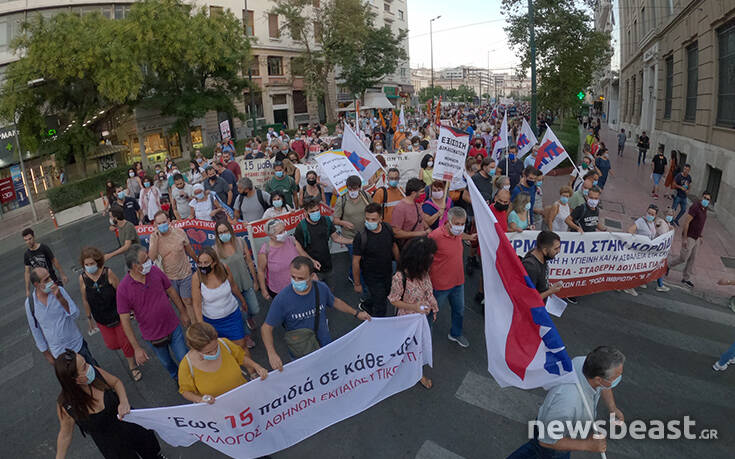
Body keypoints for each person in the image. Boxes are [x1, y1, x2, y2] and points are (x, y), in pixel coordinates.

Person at [508, 346, 624, 458]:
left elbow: (605, 386)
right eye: (616, 376)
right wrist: (588, 445)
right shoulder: (568, 403)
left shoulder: (587, 364)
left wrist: (612, 408)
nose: (619, 378)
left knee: (534, 450)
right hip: (556, 442)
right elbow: (547, 441)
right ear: (599, 379)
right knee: (539, 449)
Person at [262, 257, 371, 370]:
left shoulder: (321, 288)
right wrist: (271, 353)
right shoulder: (282, 299)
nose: (296, 281)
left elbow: (335, 301)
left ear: (312, 276)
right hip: (301, 351)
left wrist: (356, 313)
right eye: (293, 277)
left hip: (324, 345)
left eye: (301, 278)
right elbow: (266, 328)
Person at [54, 349, 162, 459]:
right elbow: (65, 434)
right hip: (112, 446)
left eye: (85, 362)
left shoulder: (95, 374)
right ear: (74, 379)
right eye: (84, 367)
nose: (89, 367)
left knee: (152, 452)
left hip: (130, 426)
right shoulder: (67, 406)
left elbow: (116, 382)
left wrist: (124, 401)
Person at [117, 244, 191, 380]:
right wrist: (137, 348)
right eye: (145, 260)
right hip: (154, 337)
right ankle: (178, 380)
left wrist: (183, 312)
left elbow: (171, 291)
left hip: (173, 327)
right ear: (135, 266)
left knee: (184, 359)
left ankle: (190, 382)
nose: (149, 261)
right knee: (167, 363)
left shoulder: (155, 271)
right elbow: (125, 321)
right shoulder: (123, 289)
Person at [79, 247, 141, 381]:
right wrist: (89, 318)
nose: (89, 267)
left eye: (92, 263)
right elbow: (85, 299)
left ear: (98, 262)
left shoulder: (108, 273)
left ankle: (132, 366)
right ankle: (128, 349)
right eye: (87, 264)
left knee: (125, 342)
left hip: (117, 314)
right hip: (101, 318)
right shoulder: (83, 278)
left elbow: (121, 292)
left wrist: (130, 310)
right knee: (112, 344)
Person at [388, 236, 438, 389]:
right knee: (407, 348)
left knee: (419, 347)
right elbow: (393, 300)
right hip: (407, 321)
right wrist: (414, 307)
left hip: (422, 318)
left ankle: (416, 371)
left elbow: (428, 292)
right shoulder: (400, 277)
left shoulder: (424, 273)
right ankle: (404, 371)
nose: (432, 261)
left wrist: (434, 307)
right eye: (429, 258)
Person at [178, 323, 267, 404]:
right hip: (218, 409)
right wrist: (200, 399)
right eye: (208, 352)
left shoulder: (224, 343)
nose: (214, 353)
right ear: (194, 348)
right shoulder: (186, 366)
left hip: (242, 398)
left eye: (216, 347)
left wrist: (256, 366)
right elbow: (185, 391)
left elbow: (241, 357)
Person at [26, 267, 98, 366]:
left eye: (49, 277)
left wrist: (60, 298)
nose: (51, 281)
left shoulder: (59, 290)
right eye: (46, 280)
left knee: (94, 372)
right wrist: (47, 355)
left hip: (76, 344)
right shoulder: (30, 304)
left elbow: (75, 314)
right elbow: (36, 330)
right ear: (36, 284)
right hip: (59, 353)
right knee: (74, 380)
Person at [429, 207, 475, 348]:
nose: (460, 227)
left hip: (458, 282)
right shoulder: (435, 236)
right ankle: (424, 339)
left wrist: (471, 237)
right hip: (440, 285)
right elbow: (426, 258)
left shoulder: (458, 234)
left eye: (462, 224)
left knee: (459, 310)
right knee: (431, 314)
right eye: (457, 224)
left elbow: (462, 236)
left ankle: (455, 334)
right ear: (448, 222)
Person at [192, 247, 252, 351]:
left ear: (214, 262)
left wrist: (242, 300)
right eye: (200, 263)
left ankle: (251, 368)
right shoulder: (197, 277)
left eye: (206, 263)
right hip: (212, 321)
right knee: (221, 350)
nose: (202, 266)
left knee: (241, 346)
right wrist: (202, 326)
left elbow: (233, 286)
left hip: (232, 316)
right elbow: (197, 304)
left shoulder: (224, 268)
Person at [352, 203, 400, 317]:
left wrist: (400, 264)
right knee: (381, 304)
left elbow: (394, 246)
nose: (369, 222)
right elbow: (355, 262)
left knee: (386, 294)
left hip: (387, 272)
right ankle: (379, 324)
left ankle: (367, 305)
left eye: (373, 219)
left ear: (381, 218)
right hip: (372, 276)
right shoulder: (361, 237)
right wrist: (357, 283)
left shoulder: (387, 228)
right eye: (367, 219)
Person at [148, 211, 197, 319]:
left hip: (185, 273)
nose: (162, 225)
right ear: (155, 225)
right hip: (169, 277)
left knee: (188, 301)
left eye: (164, 222)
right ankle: (187, 324)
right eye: (159, 223)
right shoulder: (153, 238)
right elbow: (151, 258)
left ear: (169, 221)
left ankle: (196, 329)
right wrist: (155, 240)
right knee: (179, 305)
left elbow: (189, 250)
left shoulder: (179, 232)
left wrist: (198, 261)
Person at [295, 197, 351, 289]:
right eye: (312, 211)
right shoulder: (301, 227)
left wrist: (352, 241)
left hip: (328, 265)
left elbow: (336, 238)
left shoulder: (326, 220)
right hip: (313, 270)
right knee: (317, 294)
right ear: (306, 212)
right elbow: (298, 248)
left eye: (317, 210)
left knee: (330, 291)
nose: (316, 213)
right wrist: (312, 261)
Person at [214, 221, 260, 332]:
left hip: (246, 283)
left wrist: (255, 281)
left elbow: (249, 262)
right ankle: (246, 335)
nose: (223, 234)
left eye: (225, 231)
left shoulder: (240, 242)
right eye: (220, 233)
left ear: (230, 230)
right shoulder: (215, 250)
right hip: (231, 289)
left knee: (254, 309)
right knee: (241, 314)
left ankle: (250, 318)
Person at [257, 219, 313, 300]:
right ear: (271, 236)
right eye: (280, 233)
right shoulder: (265, 251)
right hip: (279, 291)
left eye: (284, 230)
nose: (284, 234)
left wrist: (312, 261)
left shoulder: (292, 240)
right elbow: (261, 271)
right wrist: (263, 289)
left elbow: (303, 254)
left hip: (299, 286)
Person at [668, 192, 710, 288]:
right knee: (683, 257)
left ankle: (686, 278)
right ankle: (668, 265)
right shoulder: (695, 207)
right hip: (690, 236)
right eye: (705, 198)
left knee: (692, 258)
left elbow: (701, 223)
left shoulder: (705, 209)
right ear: (701, 197)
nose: (706, 200)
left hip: (697, 238)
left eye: (708, 199)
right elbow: (687, 222)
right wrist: (685, 238)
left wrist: (701, 236)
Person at [333, 175, 371, 283]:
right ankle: (357, 279)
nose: (353, 191)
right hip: (350, 236)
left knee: (363, 258)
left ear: (360, 187)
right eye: (350, 189)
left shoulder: (366, 196)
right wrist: (342, 222)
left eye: (355, 189)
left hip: (365, 234)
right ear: (347, 188)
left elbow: (372, 210)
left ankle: (352, 273)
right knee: (355, 258)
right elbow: (335, 220)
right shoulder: (342, 200)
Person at [625, 204, 670, 294]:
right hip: (639, 250)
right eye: (648, 213)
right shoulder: (641, 221)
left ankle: (640, 283)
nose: (650, 215)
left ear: (655, 215)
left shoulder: (652, 223)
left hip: (647, 251)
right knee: (635, 270)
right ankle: (628, 287)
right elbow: (630, 231)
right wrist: (636, 241)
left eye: (652, 214)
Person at [23, 228, 68, 296]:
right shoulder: (27, 254)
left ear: (34, 237)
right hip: (41, 285)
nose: (28, 242)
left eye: (30, 239)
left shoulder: (43, 248)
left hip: (52, 280)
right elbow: (27, 273)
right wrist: (27, 290)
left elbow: (54, 261)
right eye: (26, 240)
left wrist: (62, 274)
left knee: (61, 298)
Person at [522, 231, 563, 300]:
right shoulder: (530, 267)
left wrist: (549, 288)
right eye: (556, 248)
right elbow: (530, 299)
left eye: (559, 247)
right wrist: (550, 291)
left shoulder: (541, 255)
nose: (559, 251)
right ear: (544, 250)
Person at [392, 178, 431, 247]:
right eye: (422, 191)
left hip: (420, 245)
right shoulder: (400, 208)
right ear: (413, 193)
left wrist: (427, 229)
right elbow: (396, 233)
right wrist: (420, 233)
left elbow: (420, 220)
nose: (424, 194)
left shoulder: (417, 205)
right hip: (409, 249)